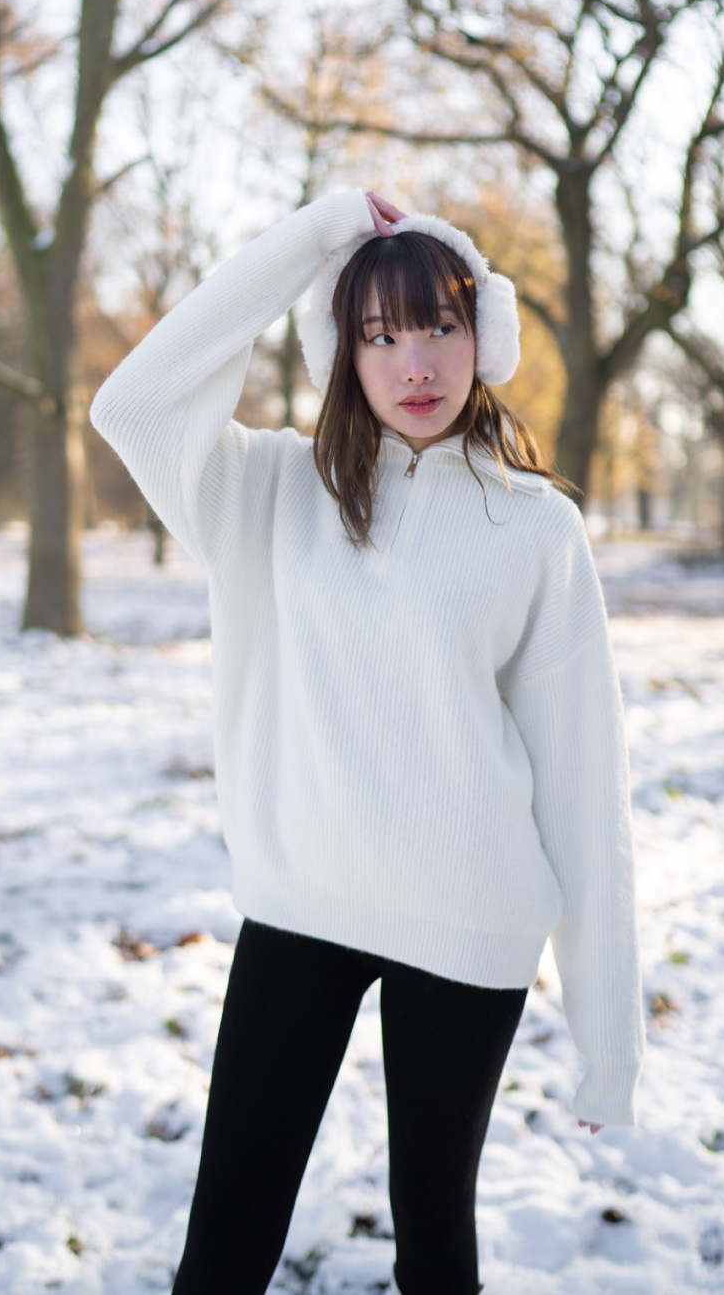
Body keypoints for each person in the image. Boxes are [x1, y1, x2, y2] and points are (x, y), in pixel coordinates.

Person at [90, 190, 645, 1295]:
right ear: (340, 353)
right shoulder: (266, 490)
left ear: (484, 334)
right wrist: (309, 239)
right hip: (302, 909)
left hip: (469, 924)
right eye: (378, 336)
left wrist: (606, 1038)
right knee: (224, 1247)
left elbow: (584, 784)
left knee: (434, 1246)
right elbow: (132, 403)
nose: (414, 363)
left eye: (438, 325)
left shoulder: (536, 527)